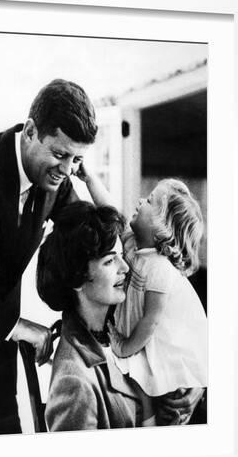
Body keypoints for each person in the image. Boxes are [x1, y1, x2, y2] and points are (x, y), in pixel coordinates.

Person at [0, 79, 98, 435]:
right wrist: (15, 324)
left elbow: (93, 234)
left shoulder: (57, 184)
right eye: (60, 154)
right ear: (30, 131)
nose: (66, 169)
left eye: (77, 159)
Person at [37, 201, 203, 431]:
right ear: (77, 277)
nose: (125, 267)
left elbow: (181, 343)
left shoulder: (128, 317)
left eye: (122, 255)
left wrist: (194, 385)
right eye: (109, 261)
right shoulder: (73, 382)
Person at [84, 176, 207, 425]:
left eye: (149, 200)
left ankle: (152, 424)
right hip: (140, 338)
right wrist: (88, 179)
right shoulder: (132, 245)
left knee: (150, 380)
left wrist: (125, 345)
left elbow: (151, 321)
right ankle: (148, 422)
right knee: (137, 376)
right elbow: (109, 207)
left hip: (159, 343)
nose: (141, 200)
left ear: (161, 227)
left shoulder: (160, 269)